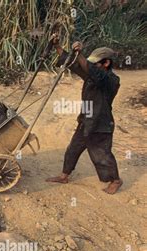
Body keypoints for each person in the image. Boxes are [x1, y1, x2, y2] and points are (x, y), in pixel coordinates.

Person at [46, 34, 122, 194]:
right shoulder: (92, 76)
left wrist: (79, 53)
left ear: (106, 63)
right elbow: (75, 65)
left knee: (101, 155)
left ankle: (115, 180)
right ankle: (64, 175)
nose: (90, 67)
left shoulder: (111, 80)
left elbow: (91, 70)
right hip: (87, 120)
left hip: (101, 124)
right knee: (73, 148)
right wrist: (58, 47)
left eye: (95, 64)